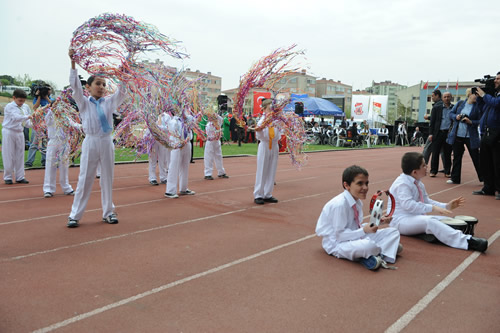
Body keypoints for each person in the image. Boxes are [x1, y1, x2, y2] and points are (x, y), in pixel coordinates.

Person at [66, 49, 127, 228]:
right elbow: (74, 86)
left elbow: (122, 92)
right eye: (97, 84)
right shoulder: (84, 103)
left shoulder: (109, 102)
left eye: (103, 84)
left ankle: (108, 212)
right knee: (85, 178)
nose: (101, 87)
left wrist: (124, 72)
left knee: (107, 177)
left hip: (106, 141)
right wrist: (73, 63)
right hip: (91, 141)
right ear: (89, 87)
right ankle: (75, 215)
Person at [388, 152, 488, 252]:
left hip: (413, 218)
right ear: (414, 172)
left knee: (443, 220)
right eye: (423, 165)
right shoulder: (402, 184)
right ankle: (467, 241)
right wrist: (433, 208)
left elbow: (427, 201)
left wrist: (446, 206)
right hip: (400, 221)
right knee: (430, 222)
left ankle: (428, 233)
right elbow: (408, 205)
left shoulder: (418, 183)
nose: (427, 167)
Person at [316, 165, 401, 270]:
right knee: (368, 245)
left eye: (366, 183)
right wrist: (364, 231)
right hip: (337, 244)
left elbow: (357, 226)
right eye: (360, 183)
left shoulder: (357, 201)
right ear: (347, 185)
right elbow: (340, 236)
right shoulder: (340, 205)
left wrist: (379, 222)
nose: (365, 188)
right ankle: (383, 251)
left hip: (354, 236)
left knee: (393, 232)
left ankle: (376, 254)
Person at [446, 88, 481, 185]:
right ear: (469, 94)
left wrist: (471, 122)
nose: (477, 97)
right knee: (457, 157)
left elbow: (481, 121)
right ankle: (455, 178)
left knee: (476, 157)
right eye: (475, 95)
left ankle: (483, 178)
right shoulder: (460, 103)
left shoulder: (478, 106)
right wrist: (456, 117)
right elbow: (451, 114)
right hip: (457, 134)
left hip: (471, 136)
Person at [474, 72, 500, 200]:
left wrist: (485, 95)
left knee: (497, 162)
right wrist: (480, 97)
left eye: (498, 79)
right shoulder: (493, 95)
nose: (496, 81)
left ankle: (499, 189)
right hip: (487, 132)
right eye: (495, 78)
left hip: (497, 133)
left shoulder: (495, 98)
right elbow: (483, 108)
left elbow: (496, 103)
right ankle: (488, 187)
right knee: (486, 162)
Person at [42, 108, 79, 197]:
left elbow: (74, 124)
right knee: (50, 165)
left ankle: (66, 188)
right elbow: (47, 120)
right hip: (53, 141)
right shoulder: (50, 116)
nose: (59, 110)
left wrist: (83, 126)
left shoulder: (66, 117)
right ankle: (48, 189)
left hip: (64, 142)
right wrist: (52, 109)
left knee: (64, 165)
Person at [253, 99, 281, 204]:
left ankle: (267, 193)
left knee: (272, 169)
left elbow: (280, 132)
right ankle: (258, 194)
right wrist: (260, 129)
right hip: (265, 145)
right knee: (262, 169)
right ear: (264, 109)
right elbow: (258, 135)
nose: (271, 110)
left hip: (274, 145)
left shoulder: (276, 120)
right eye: (269, 108)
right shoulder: (262, 121)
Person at [2, 89, 33, 184]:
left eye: (23, 101)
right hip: (9, 131)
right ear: (14, 98)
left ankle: (20, 176)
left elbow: (27, 123)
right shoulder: (9, 107)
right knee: (8, 154)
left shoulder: (26, 107)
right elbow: (16, 118)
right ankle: (7, 177)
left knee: (20, 154)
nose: (22, 103)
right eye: (20, 101)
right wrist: (28, 117)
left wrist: (36, 124)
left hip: (19, 132)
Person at [165, 115, 195, 198]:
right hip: (177, 145)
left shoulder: (188, 119)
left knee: (185, 166)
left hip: (187, 144)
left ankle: (183, 188)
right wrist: (178, 143)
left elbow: (194, 122)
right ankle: (170, 190)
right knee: (174, 167)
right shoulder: (173, 121)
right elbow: (172, 134)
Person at [25, 87, 53, 167]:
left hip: (46, 124)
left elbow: (53, 105)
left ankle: (44, 161)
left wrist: (46, 97)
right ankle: (29, 161)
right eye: (48, 90)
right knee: (34, 143)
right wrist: (39, 97)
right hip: (37, 124)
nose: (50, 91)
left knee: (44, 143)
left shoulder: (50, 98)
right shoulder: (36, 99)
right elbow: (35, 107)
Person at [429, 90, 453, 177]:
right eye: (445, 97)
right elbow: (432, 122)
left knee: (447, 153)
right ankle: (433, 171)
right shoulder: (436, 108)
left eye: (448, 97)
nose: (446, 99)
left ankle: (447, 172)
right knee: (435, 153)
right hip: (438, 133)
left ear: (451, 98)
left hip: (448, 133)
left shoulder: (454, 108)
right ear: (442, 98)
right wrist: (431, 134)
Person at [204, 114, 229, 180]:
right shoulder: (208, 125)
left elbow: (221, 119)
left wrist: (214, 113)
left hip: (217, 142)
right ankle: (208, 173)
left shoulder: (218, 122)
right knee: (209, 157)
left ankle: (221, 172)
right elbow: (210, 134)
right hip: (210, 142)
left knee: (219, 156)